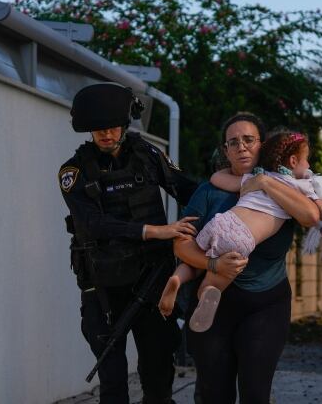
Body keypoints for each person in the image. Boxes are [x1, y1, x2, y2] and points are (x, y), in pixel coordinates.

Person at [59, 83, 198, 404]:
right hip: (103, 288)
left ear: (125, 124)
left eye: (111, 127)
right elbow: (93, 225)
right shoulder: (73, 171)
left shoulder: (149, 155)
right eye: (98, 130)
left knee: (158, 374)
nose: (106, 134)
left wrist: (234, 196)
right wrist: (154, 231)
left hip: (152, 281)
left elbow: (186, 188)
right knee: (113, 382)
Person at [175, 112, 321, 404]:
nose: (241, 146)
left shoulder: (285, 186)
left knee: (256, 393)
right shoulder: (209, 191)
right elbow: (181, 245)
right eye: (233, 142)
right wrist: (213, 264)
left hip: (266, 304)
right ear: (225, 151)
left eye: (248, 140)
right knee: (215, 395)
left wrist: (265, 183)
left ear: (263, 145)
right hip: (214, 304)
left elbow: (311, 216)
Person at [157, 131, 322, 332]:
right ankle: (207, 292)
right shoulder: (301, 187)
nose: (309, 166)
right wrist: (319, 196)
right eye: (307, 161)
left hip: (222, 221)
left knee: (195, 260)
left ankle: (177, 279)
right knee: (217, 278)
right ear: (293, 161)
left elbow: (217, 178)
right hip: (242, 238)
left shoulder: (258, 176)